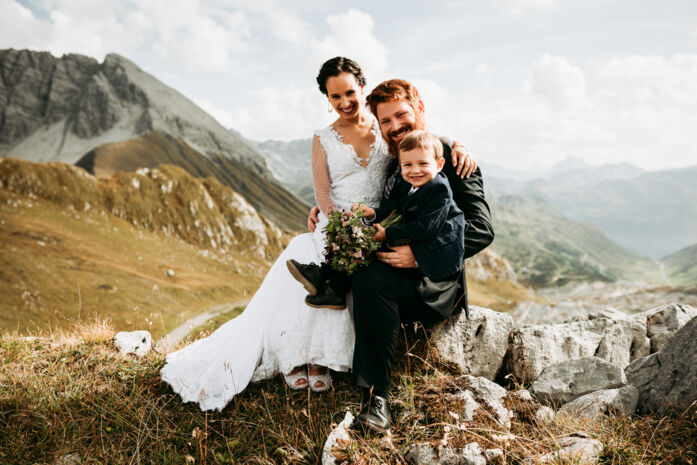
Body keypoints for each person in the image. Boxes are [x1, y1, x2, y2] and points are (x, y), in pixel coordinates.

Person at [160, 58, 476, 411]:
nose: (344, 102)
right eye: (335, 96)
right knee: (333, 264)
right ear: (327, 98)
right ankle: (325, 366)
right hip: (357, 224)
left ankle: (338, 357)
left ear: (362, 88)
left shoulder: (415, 145)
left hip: (407, 249)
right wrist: (333, 216)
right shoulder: (354, 139)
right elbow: (332, 187)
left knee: (355, 269)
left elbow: (426, 150)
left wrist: (457, 144)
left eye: (350, 93)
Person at [347, 79, 495, 433]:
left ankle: (376, 400)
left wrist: (420, 254)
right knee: (357, 270)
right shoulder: (394, 162)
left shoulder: (454, 162)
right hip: (393, 271)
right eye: (385, 121)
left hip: (434, 284)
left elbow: (481, 228)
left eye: (401, 115)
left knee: (369, 280)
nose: (395, 126)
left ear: (420, 109)